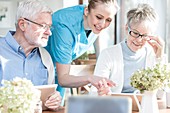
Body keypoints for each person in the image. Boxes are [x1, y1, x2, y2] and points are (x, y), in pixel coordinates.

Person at [45, 0, 120, 98]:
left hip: (61, 70)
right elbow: (63, 79)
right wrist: (90, 78)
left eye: (108, 20)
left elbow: (99, 47)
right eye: (99, 17)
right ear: (86, 11)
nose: (102, 24)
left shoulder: (95, 20)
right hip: (43, 71)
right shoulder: (64, 26)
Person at [89, 3, 165, 95]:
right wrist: (102, 91)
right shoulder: (108, 54)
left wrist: (159, 58)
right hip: (116, 106)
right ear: (126, 29)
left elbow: (161, 94)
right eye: (135, 33)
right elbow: (94, 92)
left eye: (145, 35)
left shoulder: (152, 55)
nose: (139, 40)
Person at [0, 0, 61, 111]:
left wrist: (53, 100)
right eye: (43, 26)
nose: (49, 32)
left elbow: (47, 100)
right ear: (22, 24)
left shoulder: (45, 58)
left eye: (49, 27)